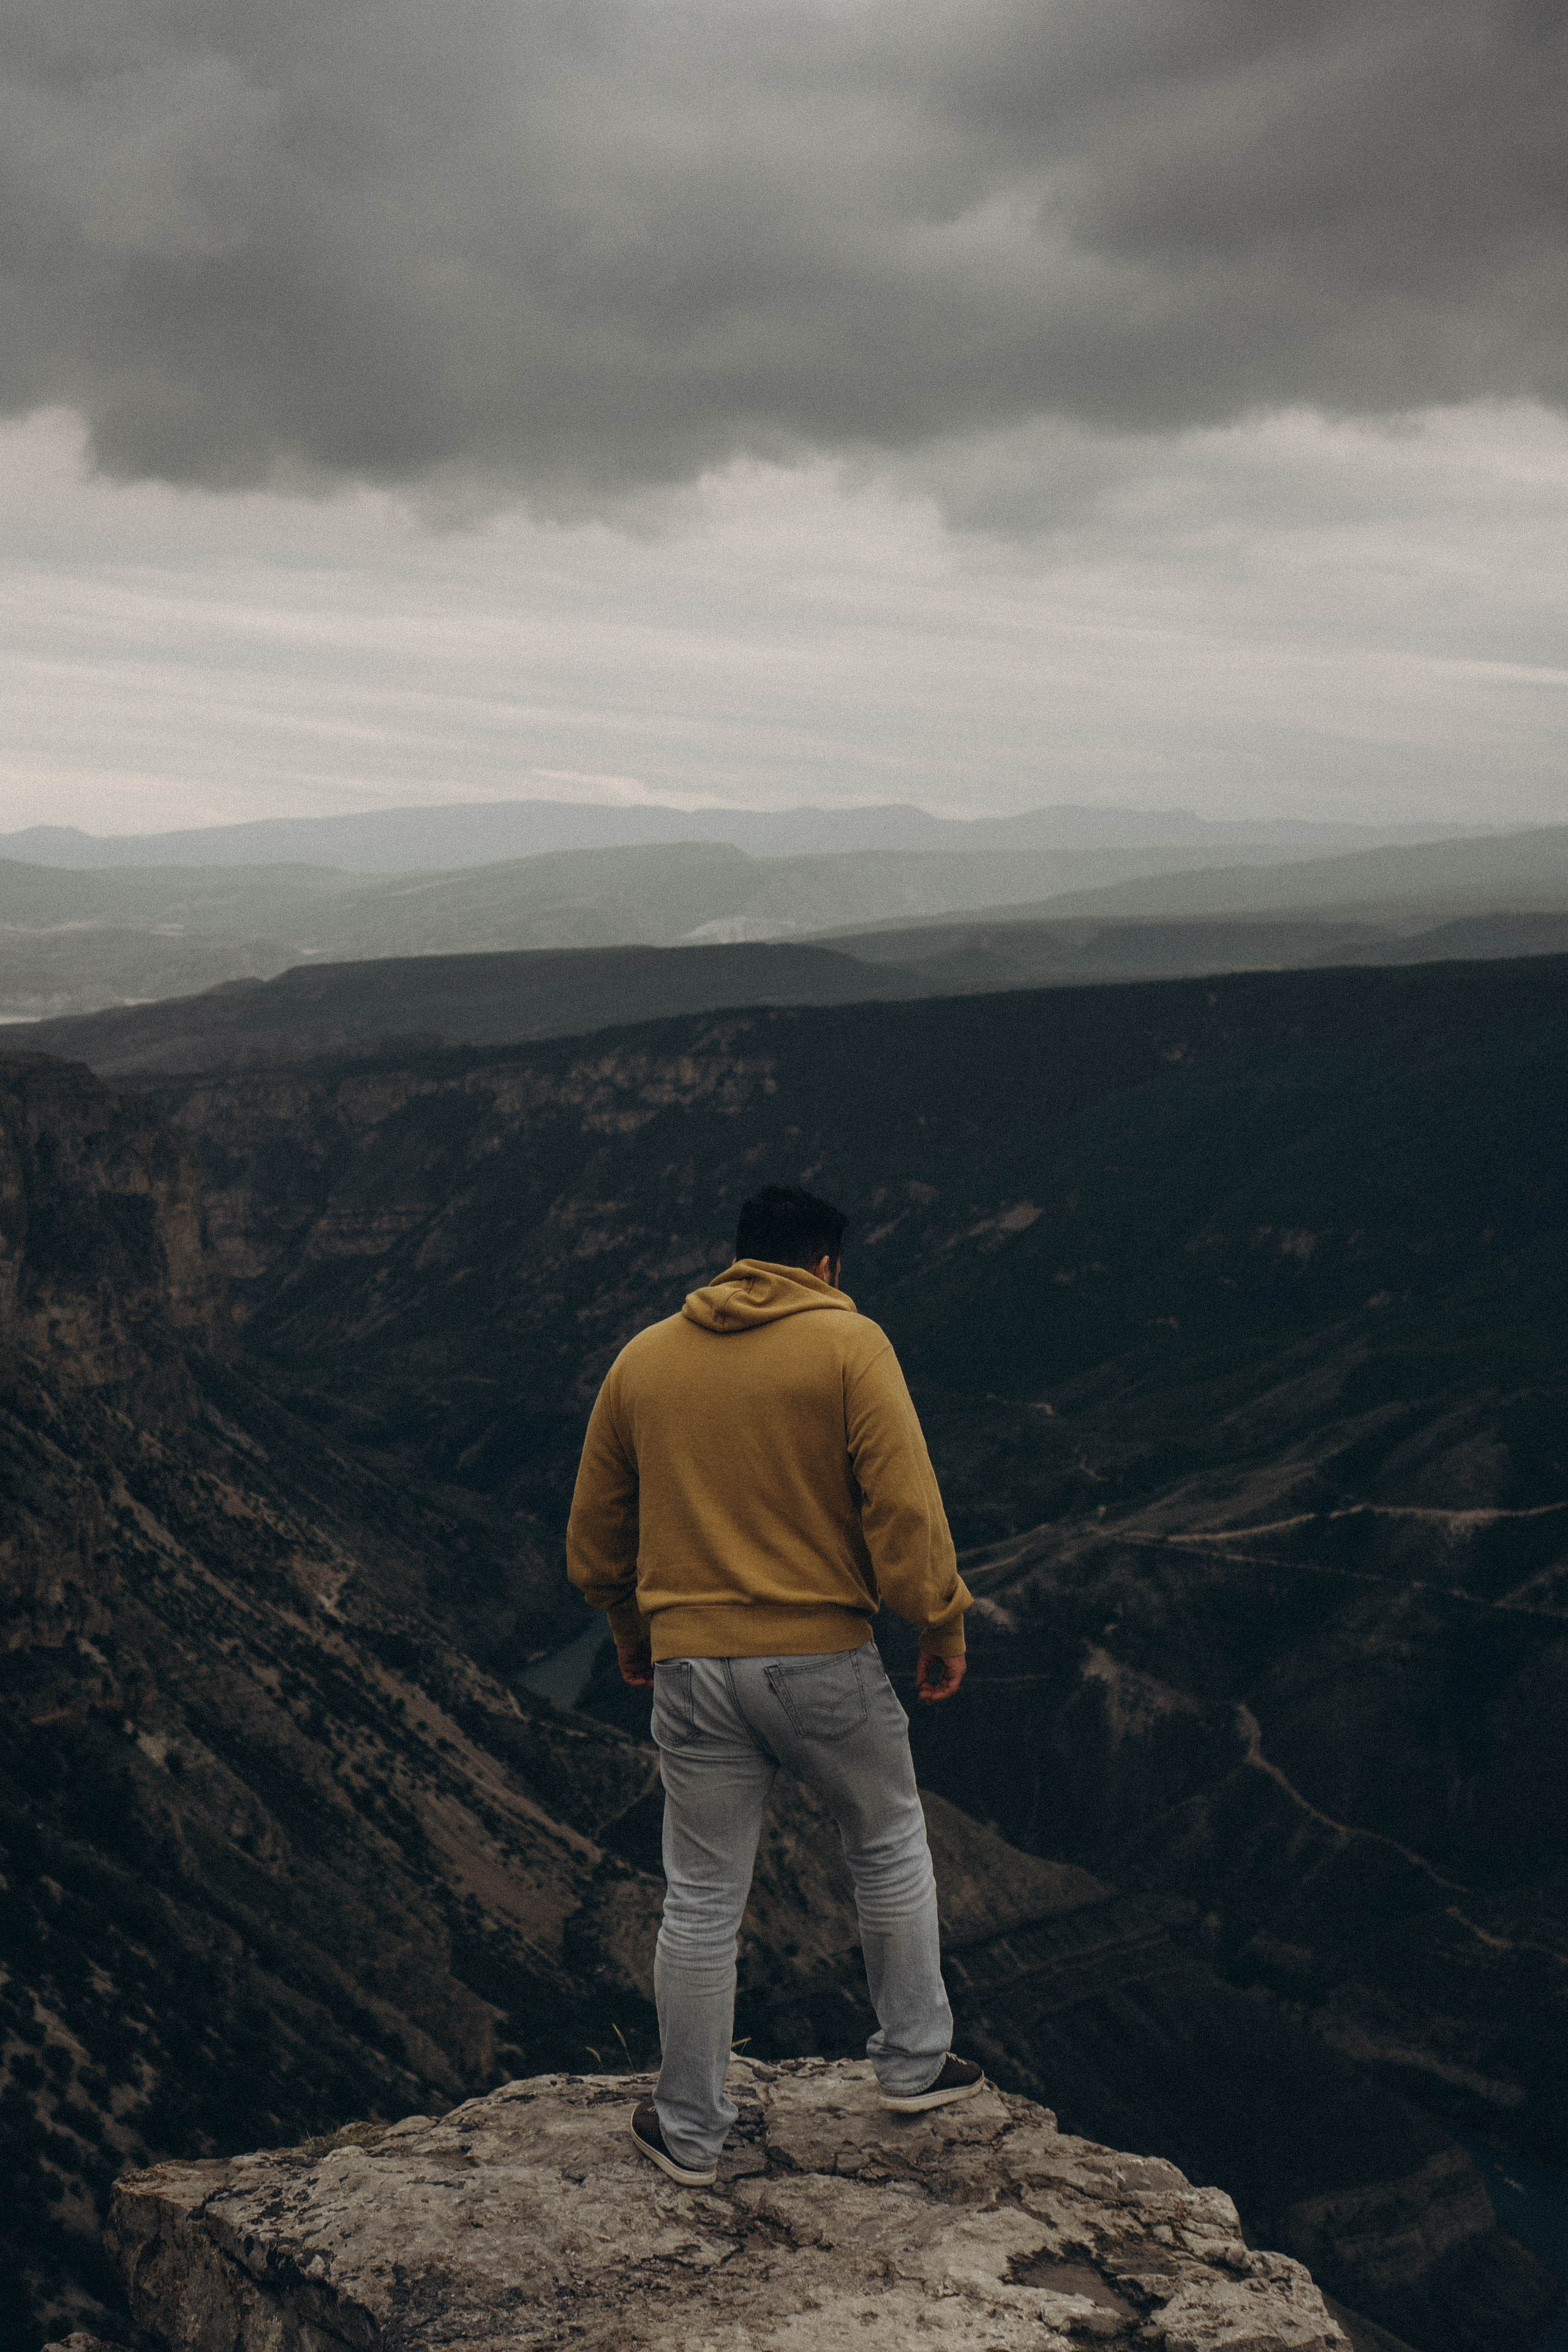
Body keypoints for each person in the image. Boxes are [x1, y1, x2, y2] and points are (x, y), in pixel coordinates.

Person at [566, 1182, 982, 2187]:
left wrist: (633, 1630)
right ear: (824, 1266)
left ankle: (691, 2132)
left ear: (737, 1258)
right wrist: (941, 1619)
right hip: (821, 1658)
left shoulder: (643, 1359)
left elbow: (592, 1545)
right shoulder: (851, 1347)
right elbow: (905, 1510)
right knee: (885, 1844)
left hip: (690, 1666)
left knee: (702, 1900)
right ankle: (914, 2066)